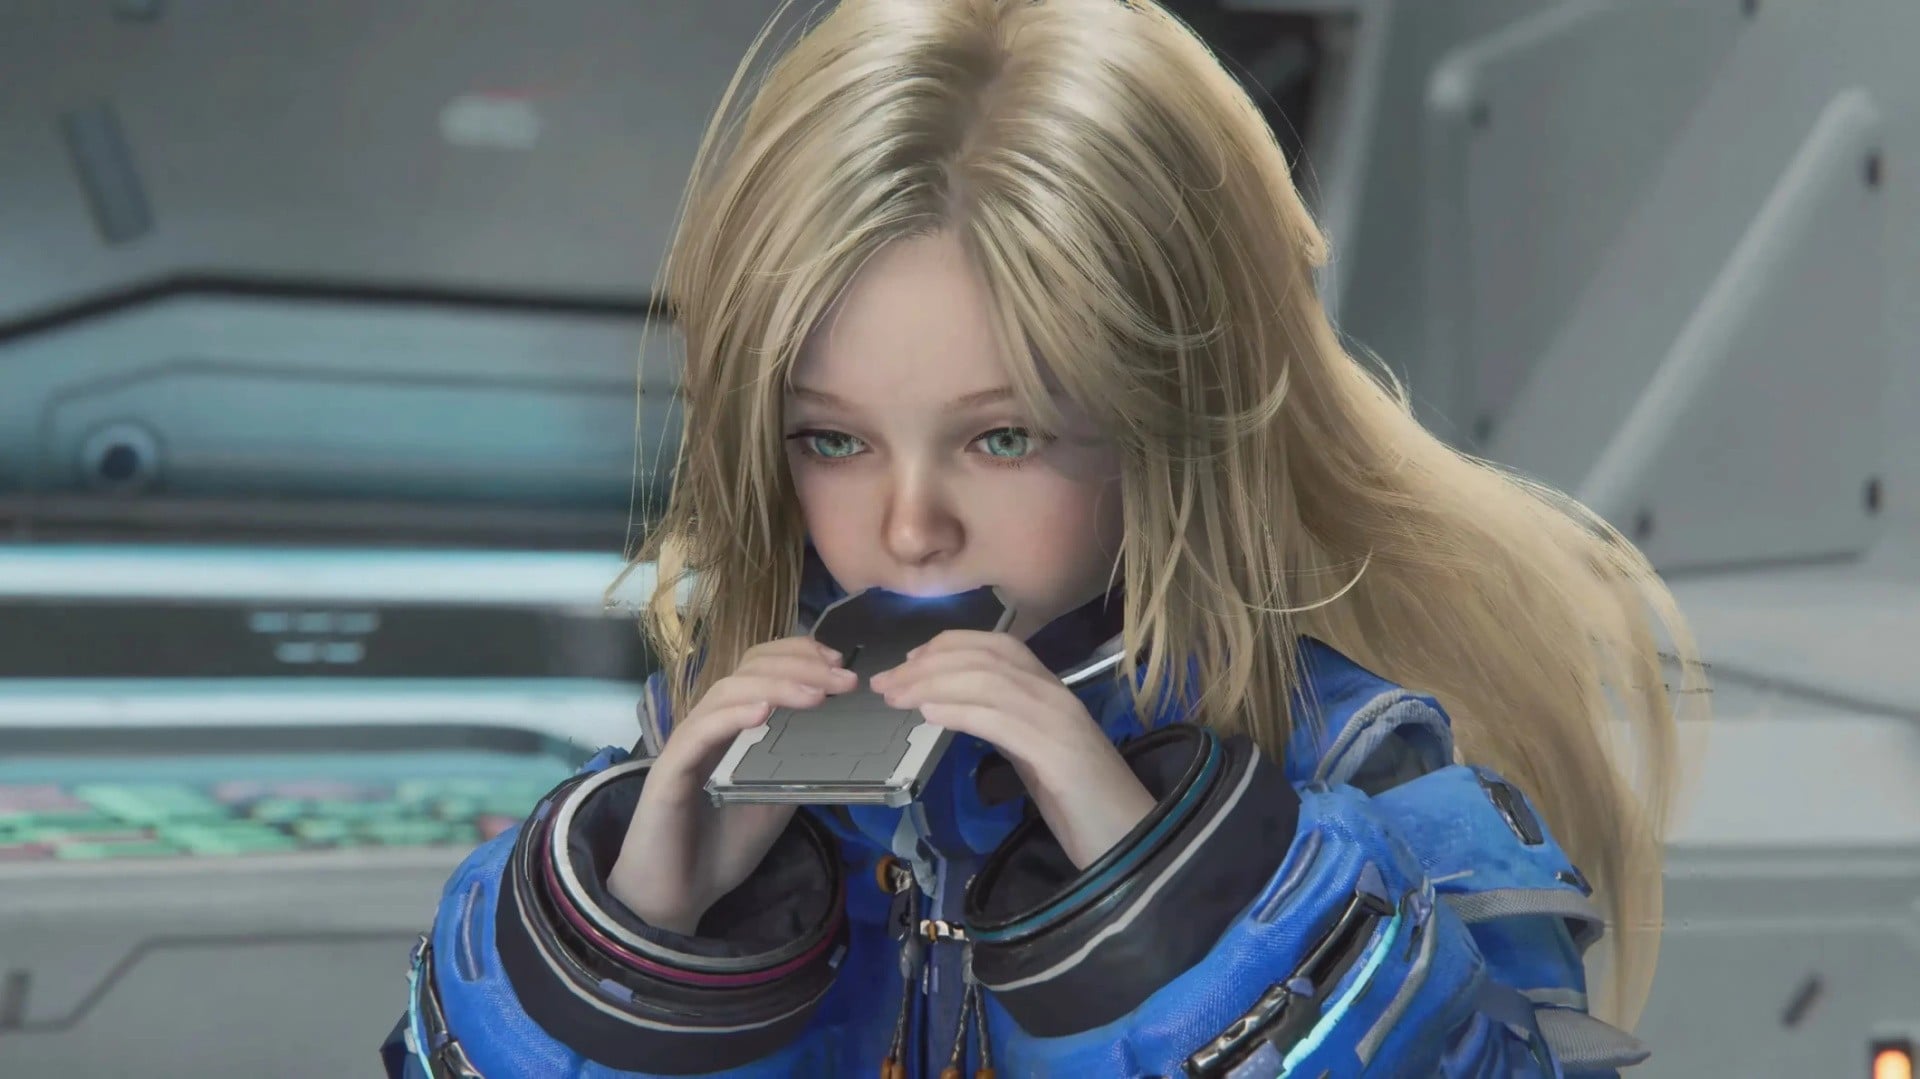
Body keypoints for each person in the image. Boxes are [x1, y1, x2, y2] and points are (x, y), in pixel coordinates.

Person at [381, 0, 1709, 1074]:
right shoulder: (722, 753)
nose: (909, 526)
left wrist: (1172, 902)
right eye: (832, 440)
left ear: (1168, 416)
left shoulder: (1355, 756)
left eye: (1002, 437)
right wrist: (637, 943)